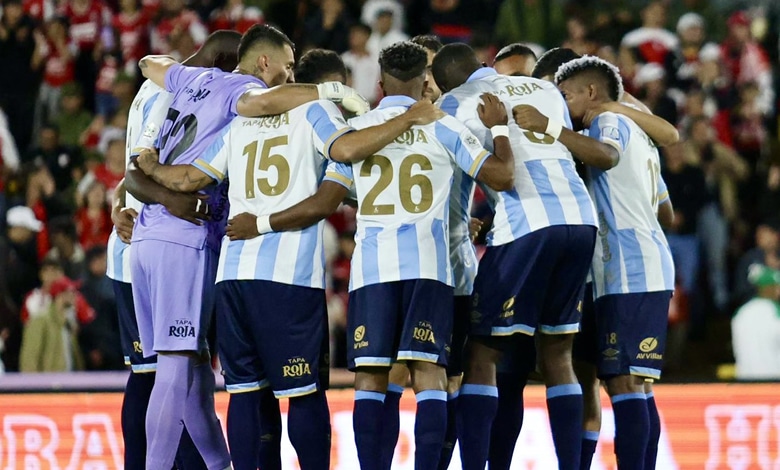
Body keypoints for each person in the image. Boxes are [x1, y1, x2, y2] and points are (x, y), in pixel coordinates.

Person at [133, 43, 445, 470]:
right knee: (303, 395)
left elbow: (188, 177)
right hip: (289, 276)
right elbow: (338, 172)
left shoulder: (241, 121)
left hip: (234, 274)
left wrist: (149, 168)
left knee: (245, 394)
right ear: (329, 86)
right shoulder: (320, 114)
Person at [432, 43, 597, 470]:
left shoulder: (454, 103)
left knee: (482, 353)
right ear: (483, 65)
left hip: (526, 224)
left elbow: (457, 174)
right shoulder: (544, 89)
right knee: (558, 354)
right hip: (581, 220)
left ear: (444, 83)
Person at [525, 55, 674, 470]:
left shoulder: (609, 120)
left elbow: (606, 155)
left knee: (626, 381)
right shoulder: (638, 133)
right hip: (626, 266)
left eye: (566, 96)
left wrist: (549, 128)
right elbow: (666, 213)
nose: (562, 104)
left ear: (591, 92)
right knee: (630, 382)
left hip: (632, 266)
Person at [116, 30, 244, 470]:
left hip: (142, 239)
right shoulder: (223, 94)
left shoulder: (159, 89)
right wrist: (177, 200)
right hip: (181, 239)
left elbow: (134, 172)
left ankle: (219, 465)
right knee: (169, 370)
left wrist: (132, 200)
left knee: (188, 371)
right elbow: (140, 172)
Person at [731, 264, 780, 380]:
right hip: (774, 381)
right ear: (767, 288)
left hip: (745, 381)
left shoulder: (741, 312)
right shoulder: (776, 311)